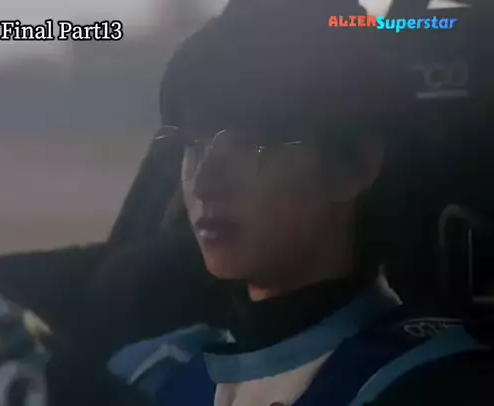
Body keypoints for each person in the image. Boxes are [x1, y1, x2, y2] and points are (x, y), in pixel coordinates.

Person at [105, 1, 494, 405]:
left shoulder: (431, 382)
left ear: (354, 165)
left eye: (249, 144)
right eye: (192, 145)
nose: (203, 185)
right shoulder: (149, 371)